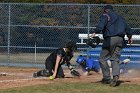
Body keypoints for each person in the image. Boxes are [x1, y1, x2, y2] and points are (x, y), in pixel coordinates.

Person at [91, 5, 133, 87]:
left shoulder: (105, 15)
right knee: (115, 59)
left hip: (110, 39)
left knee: (102, 58)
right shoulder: (120, 17)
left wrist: (95, 32)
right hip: (120, 40)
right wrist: (129, 37)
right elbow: (128, 28)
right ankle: (115, 77)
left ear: (105, 10)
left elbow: (101, 25)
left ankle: (107, 78)